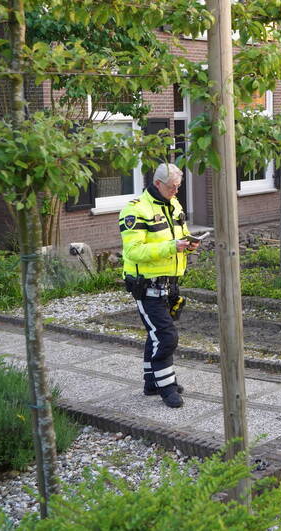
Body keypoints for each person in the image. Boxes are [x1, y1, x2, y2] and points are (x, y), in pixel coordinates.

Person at [119, 163, 195, 408]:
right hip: (146, 286)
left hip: (169, 284)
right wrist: (172, 247)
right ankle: (167, 387)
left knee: (155, 335)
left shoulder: (174, 204)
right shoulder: (135, 210)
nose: (176, 191)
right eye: (173, 187)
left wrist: (189, 243)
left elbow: (181, 234)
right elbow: (134, 250)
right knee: (166, 336)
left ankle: (152, 382)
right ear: (158, 184)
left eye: (179, 186)